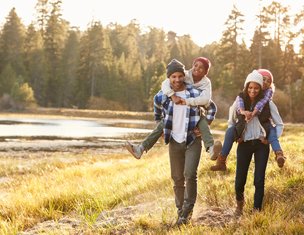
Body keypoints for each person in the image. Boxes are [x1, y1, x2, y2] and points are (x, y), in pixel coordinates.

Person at [125, 57, 222, 161]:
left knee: (202, 122)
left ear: (206, 72)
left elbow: (207, 101)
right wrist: (172, 95)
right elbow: (165, 83)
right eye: (195, 65)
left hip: (195, 112)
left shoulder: (206, 83)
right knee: (161, 125)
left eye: (201, 67)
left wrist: (206, 122)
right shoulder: (184, 75)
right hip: (177, 112)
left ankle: (211, 149)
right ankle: (140, 149)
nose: (197, 68)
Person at [151, 59, 202, 225]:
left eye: (180, 76)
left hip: (192, 139)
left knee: (190, 174)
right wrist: (160, 125)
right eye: (174, 76)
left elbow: (212, 107)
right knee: (177, 178)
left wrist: (205, 125)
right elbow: (156, 107)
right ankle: (180, 212)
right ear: (169, 78)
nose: (177, 80)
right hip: (174, 140)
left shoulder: (193, 93)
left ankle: (187, 212)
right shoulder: (163, 95)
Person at [210, 69, 285, 171]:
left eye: (269, 81)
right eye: (264, 79)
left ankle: (279, 154)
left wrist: (268, 137)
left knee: (271, 131)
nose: (266, 82)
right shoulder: (243, 96)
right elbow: (233, 117)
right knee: (230, 131)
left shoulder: (268, 98)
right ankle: (221, 160)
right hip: (244, 133)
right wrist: (238, 135)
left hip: (263, 130)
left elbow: (276, 120)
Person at [229, 70, 272, 215]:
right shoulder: (239, 102)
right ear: (246, 87)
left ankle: (256, 210)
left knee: (259, 179)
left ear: (260, 89)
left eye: (256, 88)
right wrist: (236, 136)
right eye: (250, 87)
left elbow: (279, 124)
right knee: (240, 179)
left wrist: (268, 137)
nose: (252, 90)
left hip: (261, 145)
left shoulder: (267, 104)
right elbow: (231, 122)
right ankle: (239, 205)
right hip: (244, 144)